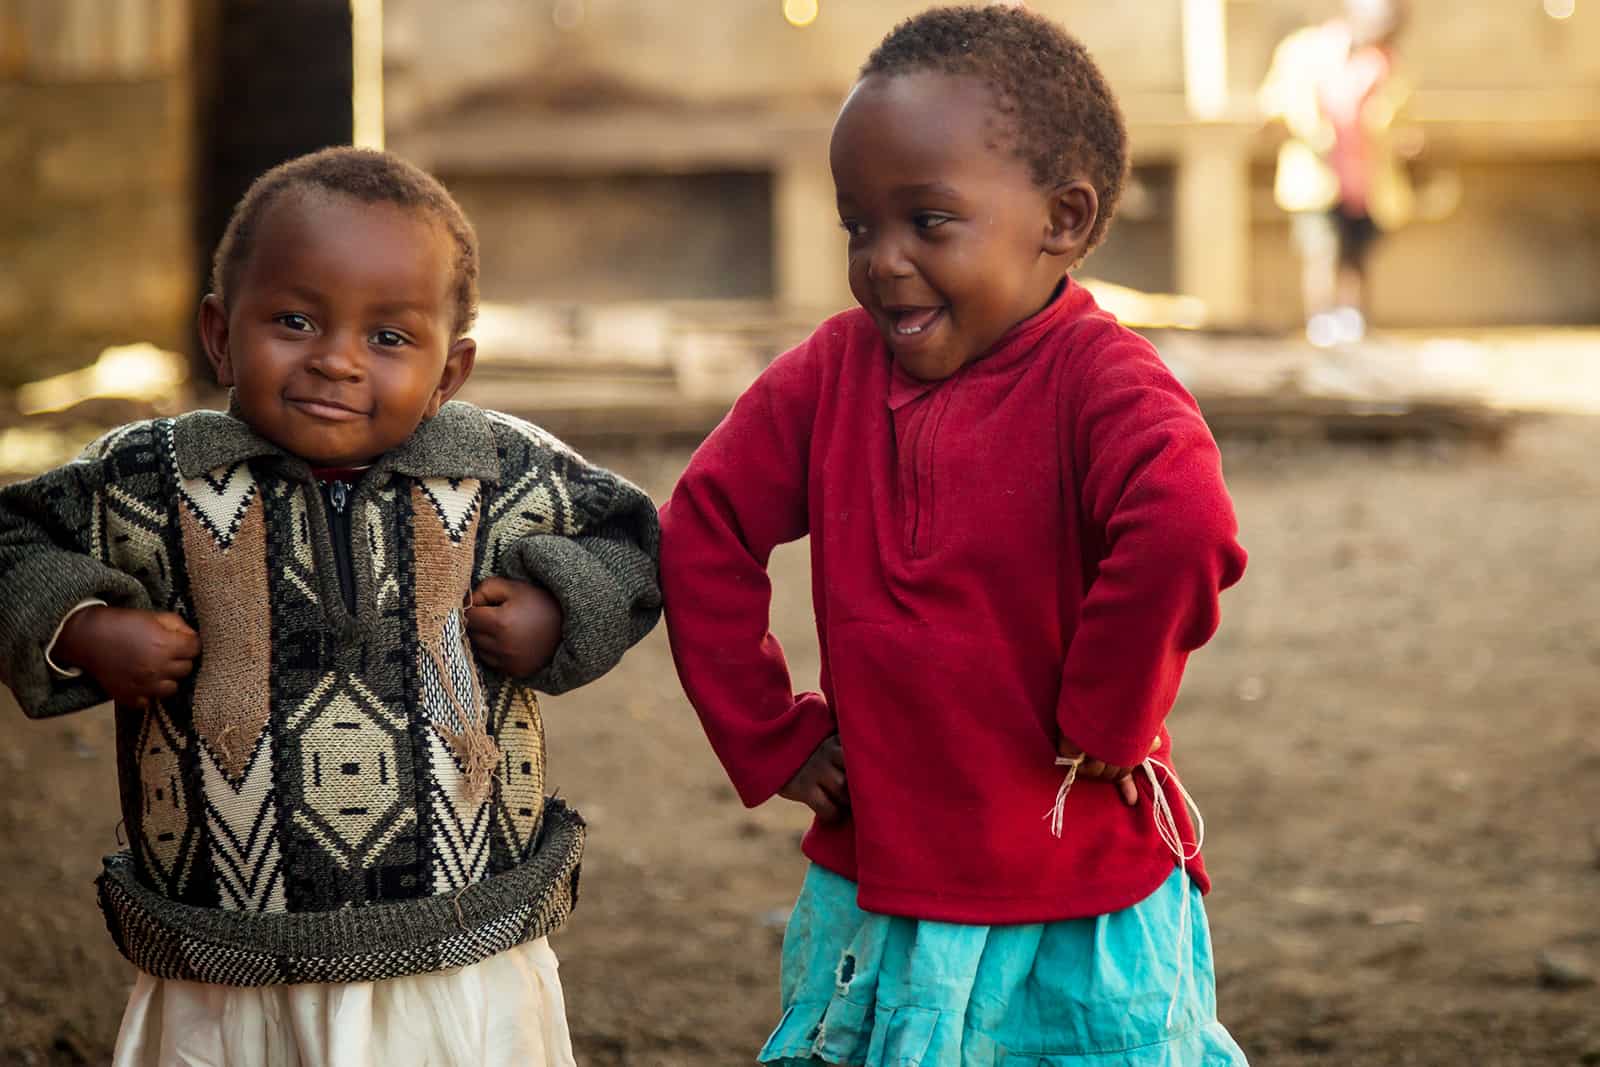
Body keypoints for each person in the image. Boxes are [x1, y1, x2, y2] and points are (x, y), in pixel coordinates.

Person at [658, 6, 1249, 1065]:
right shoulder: (830, 374)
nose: (881, 261)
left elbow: (1183, 523)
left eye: (926, 222)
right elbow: (704, 525)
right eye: (858, 224)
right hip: (879, 881)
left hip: (1075, 884)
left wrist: (1107, 715)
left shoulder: (1103, 384)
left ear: (1061, 220)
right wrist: (768, 731)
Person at [0, 147, 662, 1066]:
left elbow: (632, 541)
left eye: (389, 337)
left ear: (451, 368)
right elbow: (13, 540)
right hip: (225, 956)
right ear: (221, 333)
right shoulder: (151, 477)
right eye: (295, 319)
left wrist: (559, 611)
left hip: (459, 948)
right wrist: (81, 627)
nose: (337, 361)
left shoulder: (501, 469)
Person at [1260, 0, 1415, 346]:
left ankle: (1353, 322)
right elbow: (1276, 103)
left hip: (1366, 178)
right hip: (1317, 173)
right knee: (1321, 250)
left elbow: (1398, 118)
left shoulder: (1386, 63)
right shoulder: (1304, 52)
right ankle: (1321, 322)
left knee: (1357, 255)